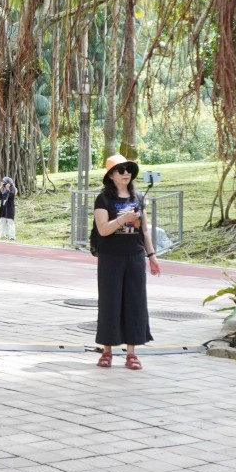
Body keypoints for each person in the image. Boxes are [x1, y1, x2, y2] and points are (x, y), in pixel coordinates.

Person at [91, 153, 161, 368]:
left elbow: (145, 231)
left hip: (135, 256)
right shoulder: (103, 199)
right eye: (121, 170)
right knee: (110, 302)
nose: (126, 173)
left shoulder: (138, 198)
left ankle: (132, 353)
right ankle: (107, 351)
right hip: (111, 257)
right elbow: (103, 230)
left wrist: (152, 256)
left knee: (135, 303)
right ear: (111, 175)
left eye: (129, 170)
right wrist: (123, 219)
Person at [0, 176, 18, 241]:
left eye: (4, 182)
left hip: (9, 208)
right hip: (3, 208)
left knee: (10, 222)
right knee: (2, 221)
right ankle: (2, 235)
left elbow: (11, 196)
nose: (3, 183)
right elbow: (1, 197)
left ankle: (12, 236)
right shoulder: (3, 189)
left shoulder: (13, 188)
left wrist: (8, 189)